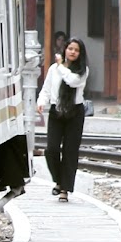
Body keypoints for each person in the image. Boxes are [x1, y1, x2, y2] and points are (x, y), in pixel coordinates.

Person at [38, 37, 90, 201]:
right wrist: (41, 101)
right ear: (65, 50)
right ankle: (59, 181)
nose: (73, 52)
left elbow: (72, 81)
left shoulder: (82, 70)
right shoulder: (54, 69)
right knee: (51, 149)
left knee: (70, 151)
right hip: (57, 111)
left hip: (75, 112)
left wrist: (61, 66)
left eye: (76, 50)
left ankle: (64, 190)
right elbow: (46, 88)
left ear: (80, 53)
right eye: (70, 49)